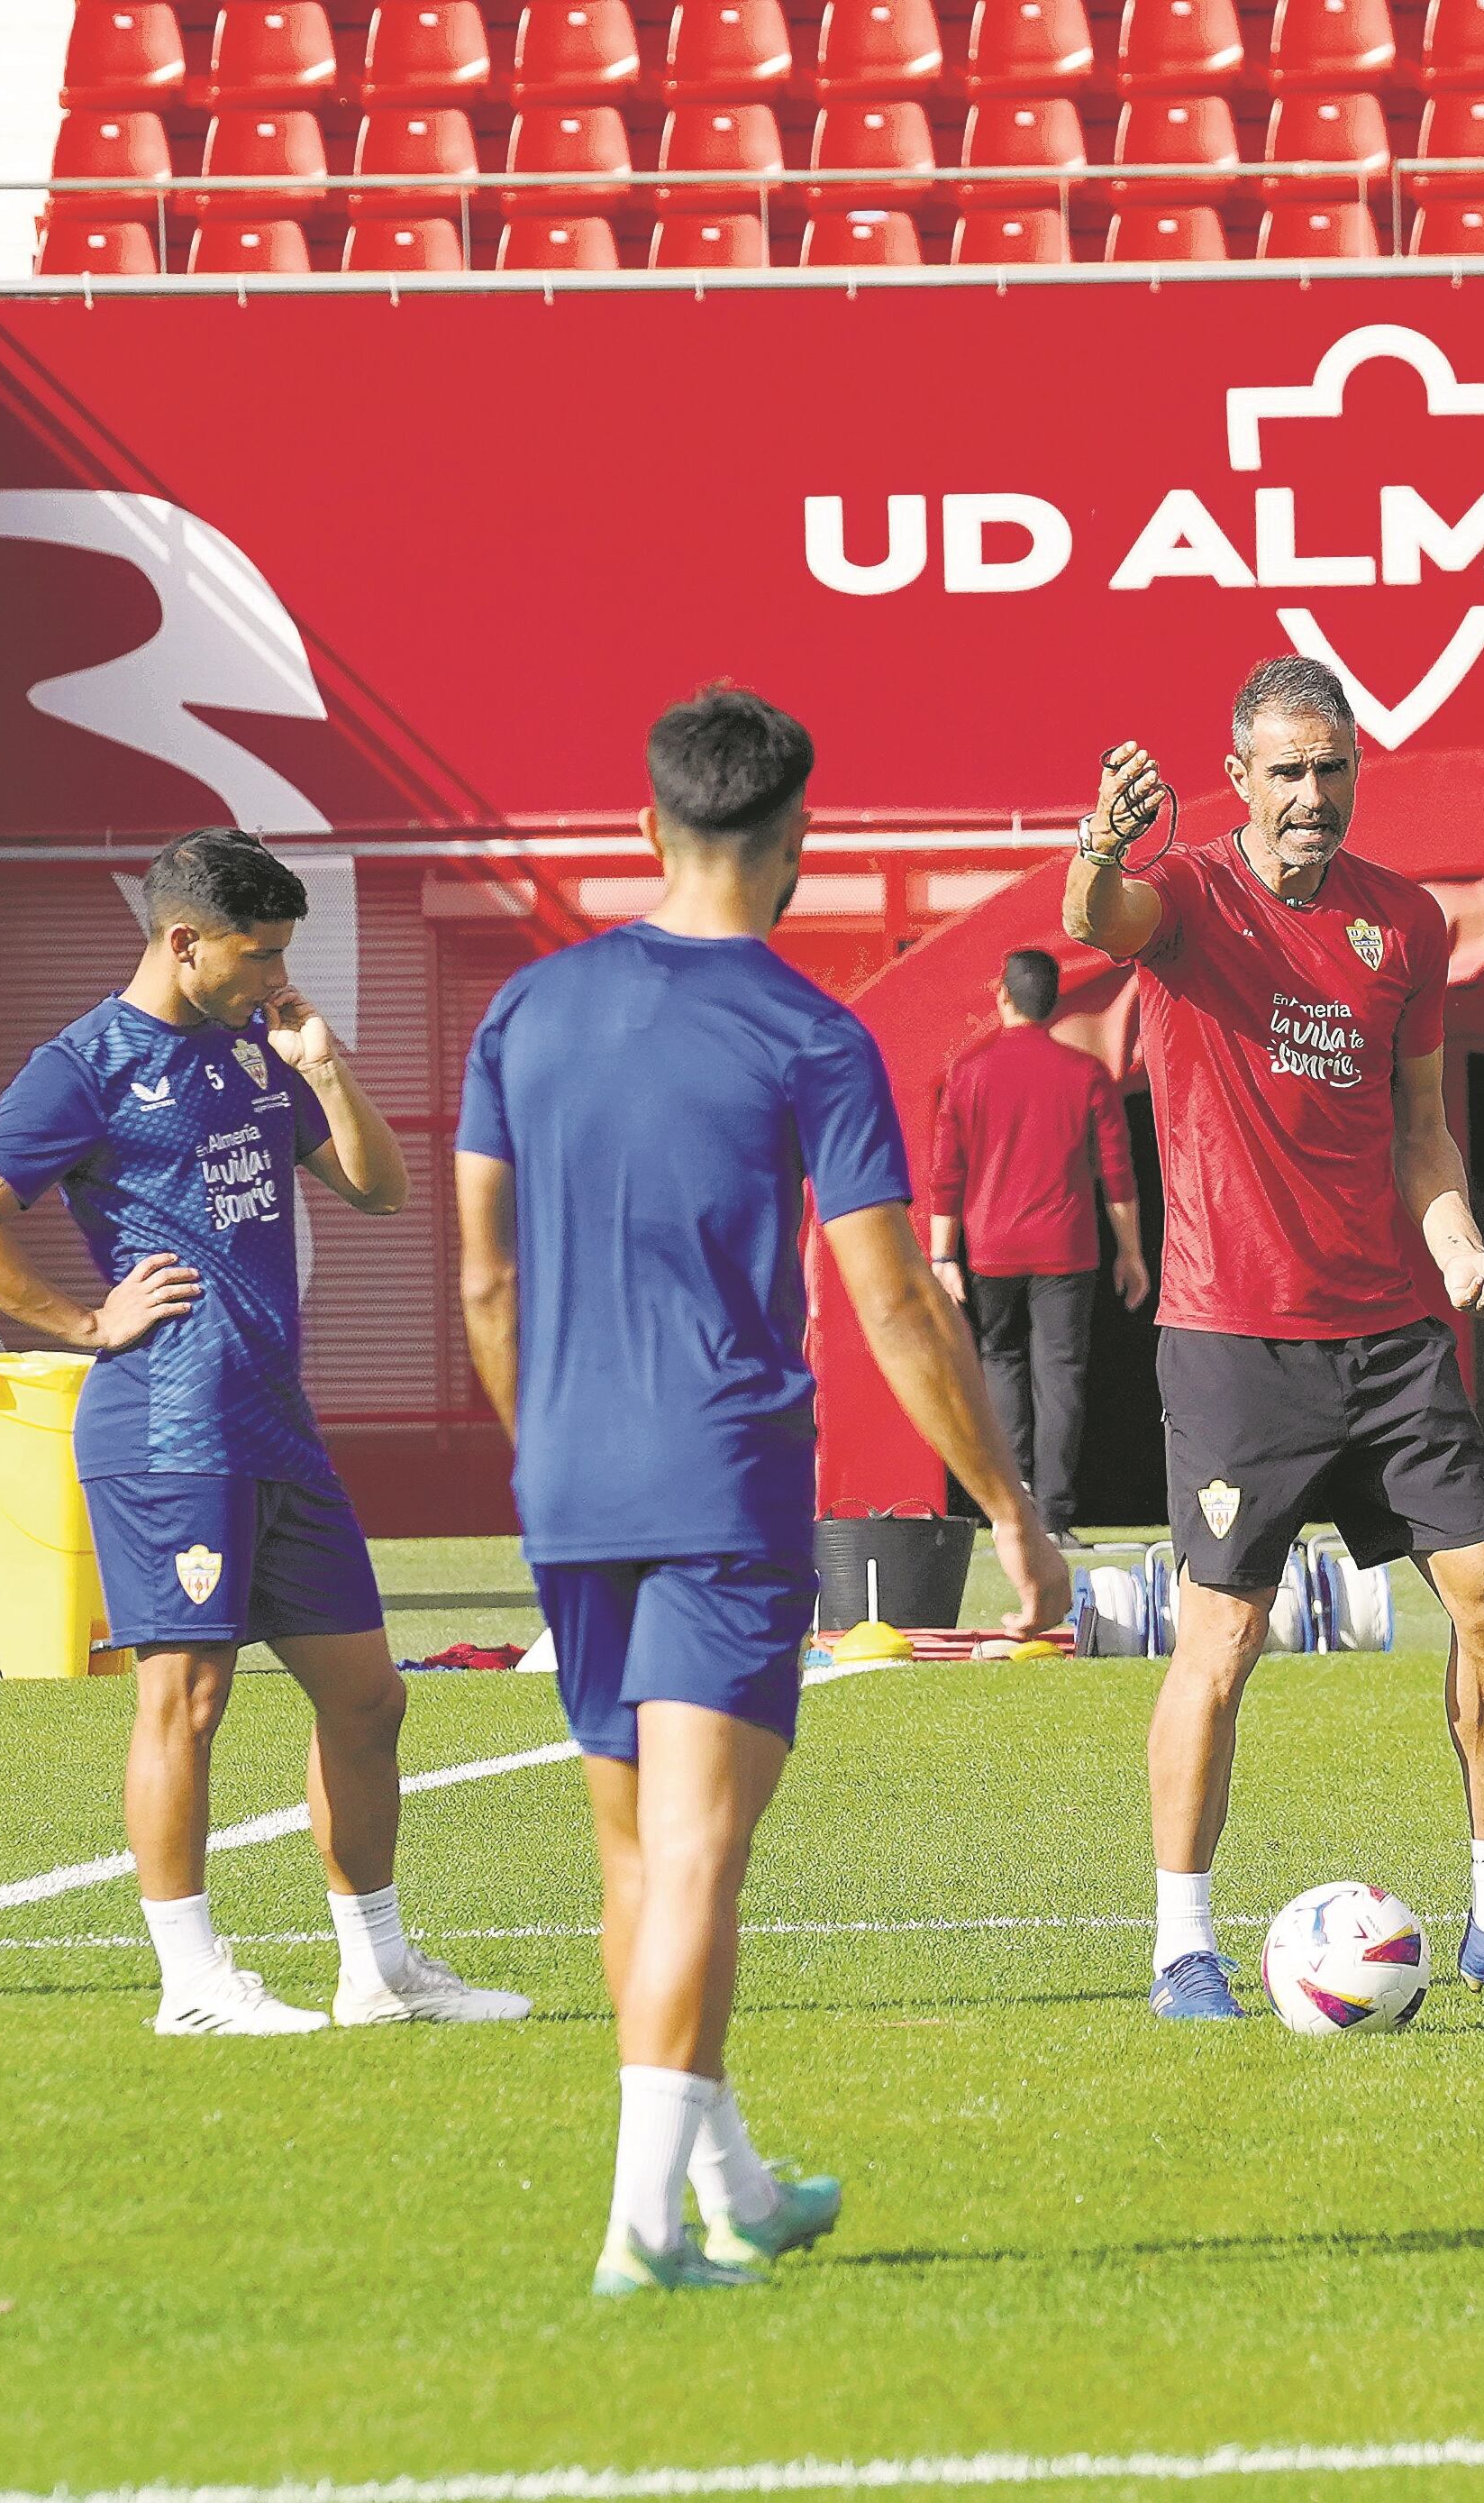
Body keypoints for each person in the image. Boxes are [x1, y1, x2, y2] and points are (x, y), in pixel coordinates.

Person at [458, 686, 1070, 2297]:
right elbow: (895, 1303)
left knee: (634, 1868)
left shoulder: (523, 1013)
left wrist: (544, 1452)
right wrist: (1007, 1508)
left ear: (647, 826)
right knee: (701, 1864)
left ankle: (728, 2182)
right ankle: (641, 2232)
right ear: (797, 840)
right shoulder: (814, 1034)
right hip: (725, 1481)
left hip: (568, 1483)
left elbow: (482, 1288)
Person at [1063, 655, 1484, 2020]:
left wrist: (1456, 1248)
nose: (1311, 796)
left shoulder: (1406, 922)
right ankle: (1180, 1950)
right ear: (1240, 780)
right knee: (1224, 1636)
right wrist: (1101, 842)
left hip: (1390, 1333)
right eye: (1286, 772)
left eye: (1331, 769)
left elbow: (1420, 1126)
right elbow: (1100, 915)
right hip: (1234, 1339)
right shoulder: (1192, 899)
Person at [0, 827, 528, 2040]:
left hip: (272, 1425)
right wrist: (86, 1324)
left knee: (366, 1701)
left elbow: (377, 1188)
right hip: (164, 1425)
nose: (274, 975)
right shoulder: (85, 1063)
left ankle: (378, 1971)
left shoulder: (259, 1045)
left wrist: (323, 1060)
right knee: (186, 1702)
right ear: (182, 941)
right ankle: (192, 1982)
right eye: (259, 956)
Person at [924, 949, 1150, 1539]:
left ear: (1003, 996)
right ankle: (1052, 1513)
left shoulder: (969, 1072)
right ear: (1053, 1000)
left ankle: (1012, 1504)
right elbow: (1117, 1173)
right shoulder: (1084, 1073)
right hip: (1066, 1247)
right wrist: (1131, 1251)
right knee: (1061, 1373)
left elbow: (946, 1173)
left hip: (993, 1247)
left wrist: (941, 1255)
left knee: (999, 1362)